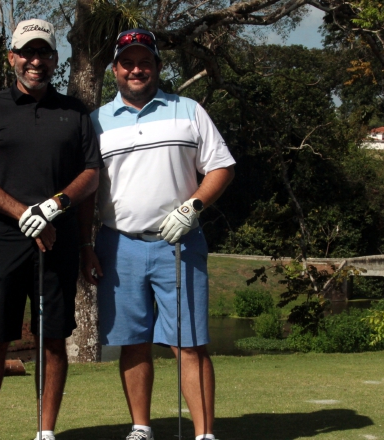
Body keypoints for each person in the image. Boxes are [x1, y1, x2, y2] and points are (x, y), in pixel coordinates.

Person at [81, 28, 236, 440]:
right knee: (132, 342)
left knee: (190, 343)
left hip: (179, 243)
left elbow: (220, 167)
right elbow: (87, 190)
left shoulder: (188, 110)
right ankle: (141, 427)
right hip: (118, 245)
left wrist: (193, 206)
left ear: (157, 67)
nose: (136, 69)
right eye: (127, 62)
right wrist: (86, 245)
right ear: (115, 68)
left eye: (144, 62)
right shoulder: (96, 122)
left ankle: (204, 434)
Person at [0, 18, 101, 440]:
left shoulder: (75, 112)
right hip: (4, 237)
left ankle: (45, 432)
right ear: (12, 58)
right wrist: (25, 214)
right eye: (27, 52)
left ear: (55, 59)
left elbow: (91, 174)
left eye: (43, 53)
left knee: (53, 339)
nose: (35, 61)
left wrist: (54, 206)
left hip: (58, 238)